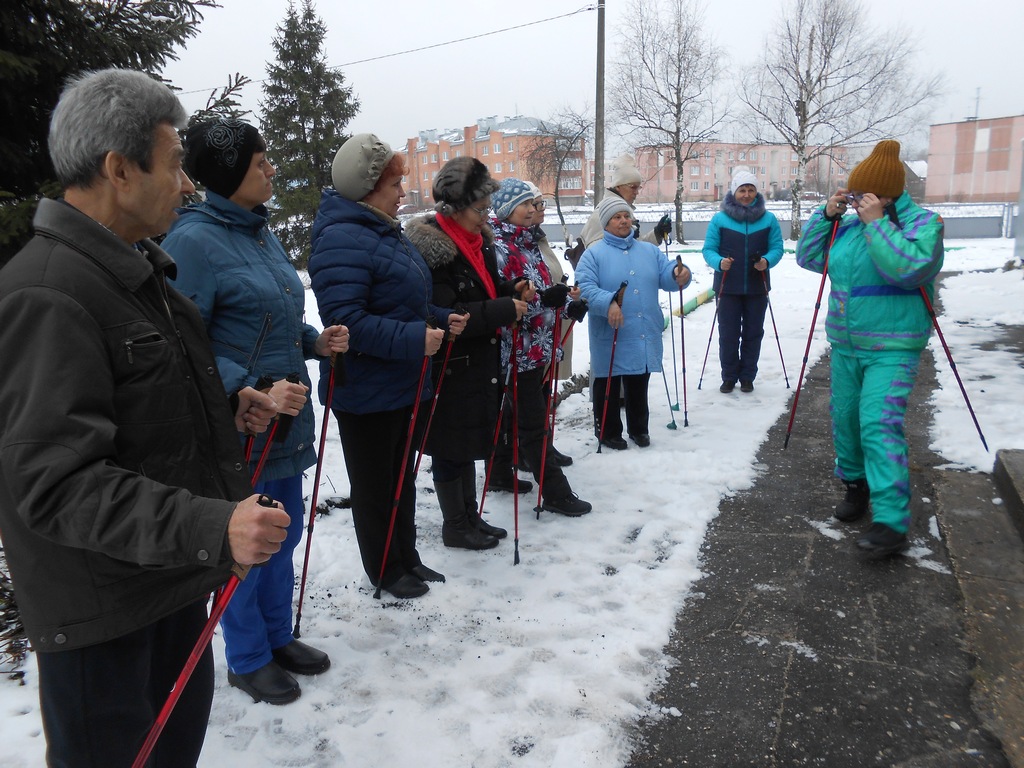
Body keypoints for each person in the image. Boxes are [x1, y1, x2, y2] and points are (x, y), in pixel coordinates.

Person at [0, 68, 287, 766]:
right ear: (119, 169)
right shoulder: (49, 293)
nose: (187, 185)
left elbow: (130, 403)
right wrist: (210, 525)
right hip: (106, 622)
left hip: (163, 585)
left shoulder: (132, 272)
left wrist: (225, 405)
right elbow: (56, 484)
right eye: (176, 163)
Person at [162, 118, 350, 705]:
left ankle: (276, 636)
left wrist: (312, 341)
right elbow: (182, 343)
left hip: (285, 415)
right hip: (242, 420)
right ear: (226, 171)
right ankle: (245, 658)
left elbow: (270, 318)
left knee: (283, 533)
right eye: (259, 159)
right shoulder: (191, 242)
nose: (271, 167)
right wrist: (251, 386)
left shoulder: (259, 232)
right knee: (248, 541)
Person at [308, 133, 466, 597]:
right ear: (369, 185)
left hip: (401, 380)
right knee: (376, 487)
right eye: (396, 184)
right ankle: (384, 569)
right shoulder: (341, 238)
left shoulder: (382, 232)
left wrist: (438, 319)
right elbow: (346, 322)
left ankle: (407, 558)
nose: (403, 194)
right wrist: (417, 338)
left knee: (402, 478)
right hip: (364, 388)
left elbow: (403, 304)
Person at [796, 139, 944, 558]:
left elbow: (908, 269)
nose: (857, 200)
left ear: (886, 193)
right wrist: (827, 216)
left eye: (864, 194)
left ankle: (892, 522)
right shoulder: (850, 225)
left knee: (878, 423)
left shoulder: (924, 224)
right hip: (846, 343)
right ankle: (856, 486)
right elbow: (810, 259)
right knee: (845, 419)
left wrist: (879, 222)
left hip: (894, 346)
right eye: (853, 193)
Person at [404, 158, 528, 549]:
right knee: (449, 447)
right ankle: (455, 525)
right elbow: (448, 313)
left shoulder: (477, 242)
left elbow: (483, 290)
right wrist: (504, 309)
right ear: (454, 208)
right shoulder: (433, 252)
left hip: (479, 362)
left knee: (469, 443)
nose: (485, 215)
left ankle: (469, 517)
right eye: (479, 208)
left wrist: (511, 288)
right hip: (450, 366)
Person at [490, 178, 592, 517]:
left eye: (535, 205)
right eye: (525, 205)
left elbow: (546, 290)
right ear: (507, 211)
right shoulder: (498, 247)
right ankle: (555, 492)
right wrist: (541, 303)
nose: (534, 209)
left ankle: (499, 472)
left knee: (512, 414)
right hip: (515, 347)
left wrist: (566, 307)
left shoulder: (529, 243)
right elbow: (506, 299)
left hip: (539, 345)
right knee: (532, 421)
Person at [576, 196, 692, 449]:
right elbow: (584, 288)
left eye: (626, 216)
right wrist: (609, 302)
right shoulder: (593, 255)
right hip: (611, 330)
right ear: (605, 223)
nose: (624, 221)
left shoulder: (648, 250)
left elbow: (667, 275)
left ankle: (639, 428)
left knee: (639, 379)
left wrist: (679, 274)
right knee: (607, 382)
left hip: (641, 329)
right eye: (617, 217)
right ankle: (608, 431)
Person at [702, 169, 784, 394]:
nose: (746, 194)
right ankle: (729, 376)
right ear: (734, 191)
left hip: (757, 286)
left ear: (757, 192)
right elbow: (708, 249)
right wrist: (719, 262)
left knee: (753, 332)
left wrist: (766, 261)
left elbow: (777, 247)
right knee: (728, 334)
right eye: (742, 190)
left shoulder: (768, 219)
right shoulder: (720, 219)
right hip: (728, 286)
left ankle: (747, 376)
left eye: (751, 190)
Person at [525, 181, 576, 467]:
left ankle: (545, 445)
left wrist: (566, 295)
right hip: (534, 330)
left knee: (543, 390)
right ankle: (532, 451)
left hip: (550, 323)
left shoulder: (538, 237)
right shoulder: (522, 241)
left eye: (542, 203)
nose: (540, 209)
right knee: (532, 394)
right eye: (535, 204)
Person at [577, 154, 672, 251]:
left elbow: (638, 248)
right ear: (618, 186)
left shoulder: (622, 210)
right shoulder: (604, 212)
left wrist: (657, 233)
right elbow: (596, 254)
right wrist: (626, 239)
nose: (636, 192)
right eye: (632, 187)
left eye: (638, 187)